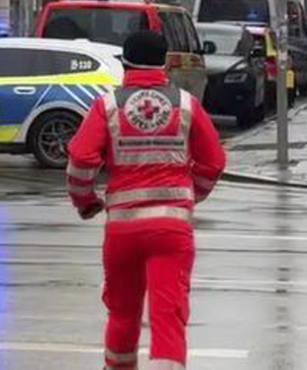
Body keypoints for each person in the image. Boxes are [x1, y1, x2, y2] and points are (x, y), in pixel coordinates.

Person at [66, 30, 227, 370]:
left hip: (122, 231)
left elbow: (81, 161)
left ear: (125, 63)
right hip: (171, 231)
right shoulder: (186, 104)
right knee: (168, 317)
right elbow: (213, 163)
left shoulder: (107, 105)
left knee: (122, 315)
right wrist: (188, 196)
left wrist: (86, 202)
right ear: (165, 64)